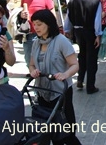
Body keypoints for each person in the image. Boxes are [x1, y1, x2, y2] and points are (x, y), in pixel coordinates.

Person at [29, 9, 81, 145]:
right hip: (42, 92)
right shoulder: (36, 43)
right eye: (34, 24)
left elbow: (75, 65)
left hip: (60, 92)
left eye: (39, 24)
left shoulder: (61, 41)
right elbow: (31, 65)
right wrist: (33, 71)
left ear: (49, 24)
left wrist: (65, 74)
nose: (36, 27)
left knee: (65, 130)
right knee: (48, 129)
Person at [64, 0, 102, 94]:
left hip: (77, 31)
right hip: (90, 31)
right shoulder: (95, 1)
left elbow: (68, 17)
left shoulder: (73, 0)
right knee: (91, 58)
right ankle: (90, 86)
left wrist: (67, 30)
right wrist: (98, 34)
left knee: (82, 55)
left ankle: (80, 79)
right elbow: (97, 20)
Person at [19, 0, 56, 75]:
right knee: (28, 55)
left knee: (43, 56)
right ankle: (33, 72)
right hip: (28, 32)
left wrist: (53, 30)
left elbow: (52, 15)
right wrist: (21, 14)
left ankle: (42, 73)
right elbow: (20, 12)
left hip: (43, 33)